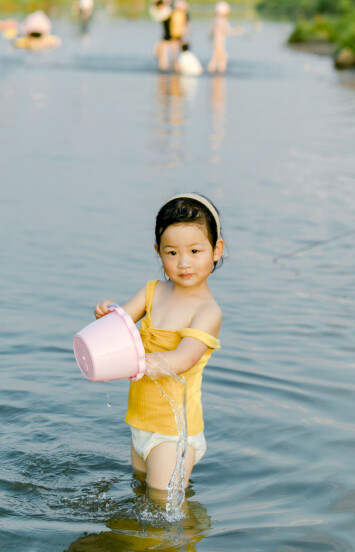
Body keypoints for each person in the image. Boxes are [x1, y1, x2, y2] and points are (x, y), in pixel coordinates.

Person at [92, 193, 223, 493]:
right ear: (158, 252)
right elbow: (119, 329)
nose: (183, 262)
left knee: (162, 503)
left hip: (174, 434)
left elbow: (184, 358)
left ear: (216, 250)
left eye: (194, 250)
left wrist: (138, 363)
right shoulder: (152, 292)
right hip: (141, 422)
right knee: (142, 494)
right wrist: (106, 313)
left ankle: (185, 537)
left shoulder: (207, 311)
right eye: (172, 253)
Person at [207, 1, 242, 74]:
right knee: (221, 58)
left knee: (217, 58)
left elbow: (211, 33)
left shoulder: (216, 19)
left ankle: (215, 72)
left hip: (215, 43)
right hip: (218, 43)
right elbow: (226, 31)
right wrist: (237, 30)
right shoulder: (221, 20)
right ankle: (219, 73)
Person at [149, 0, 173, 71]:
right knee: (158, 52)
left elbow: (158, 16)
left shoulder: (168, 10)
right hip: (165, 35)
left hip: (168, 35)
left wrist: (156, 4)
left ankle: (163, 69)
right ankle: (162, 68)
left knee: (162, 54)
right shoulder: (166, 9)